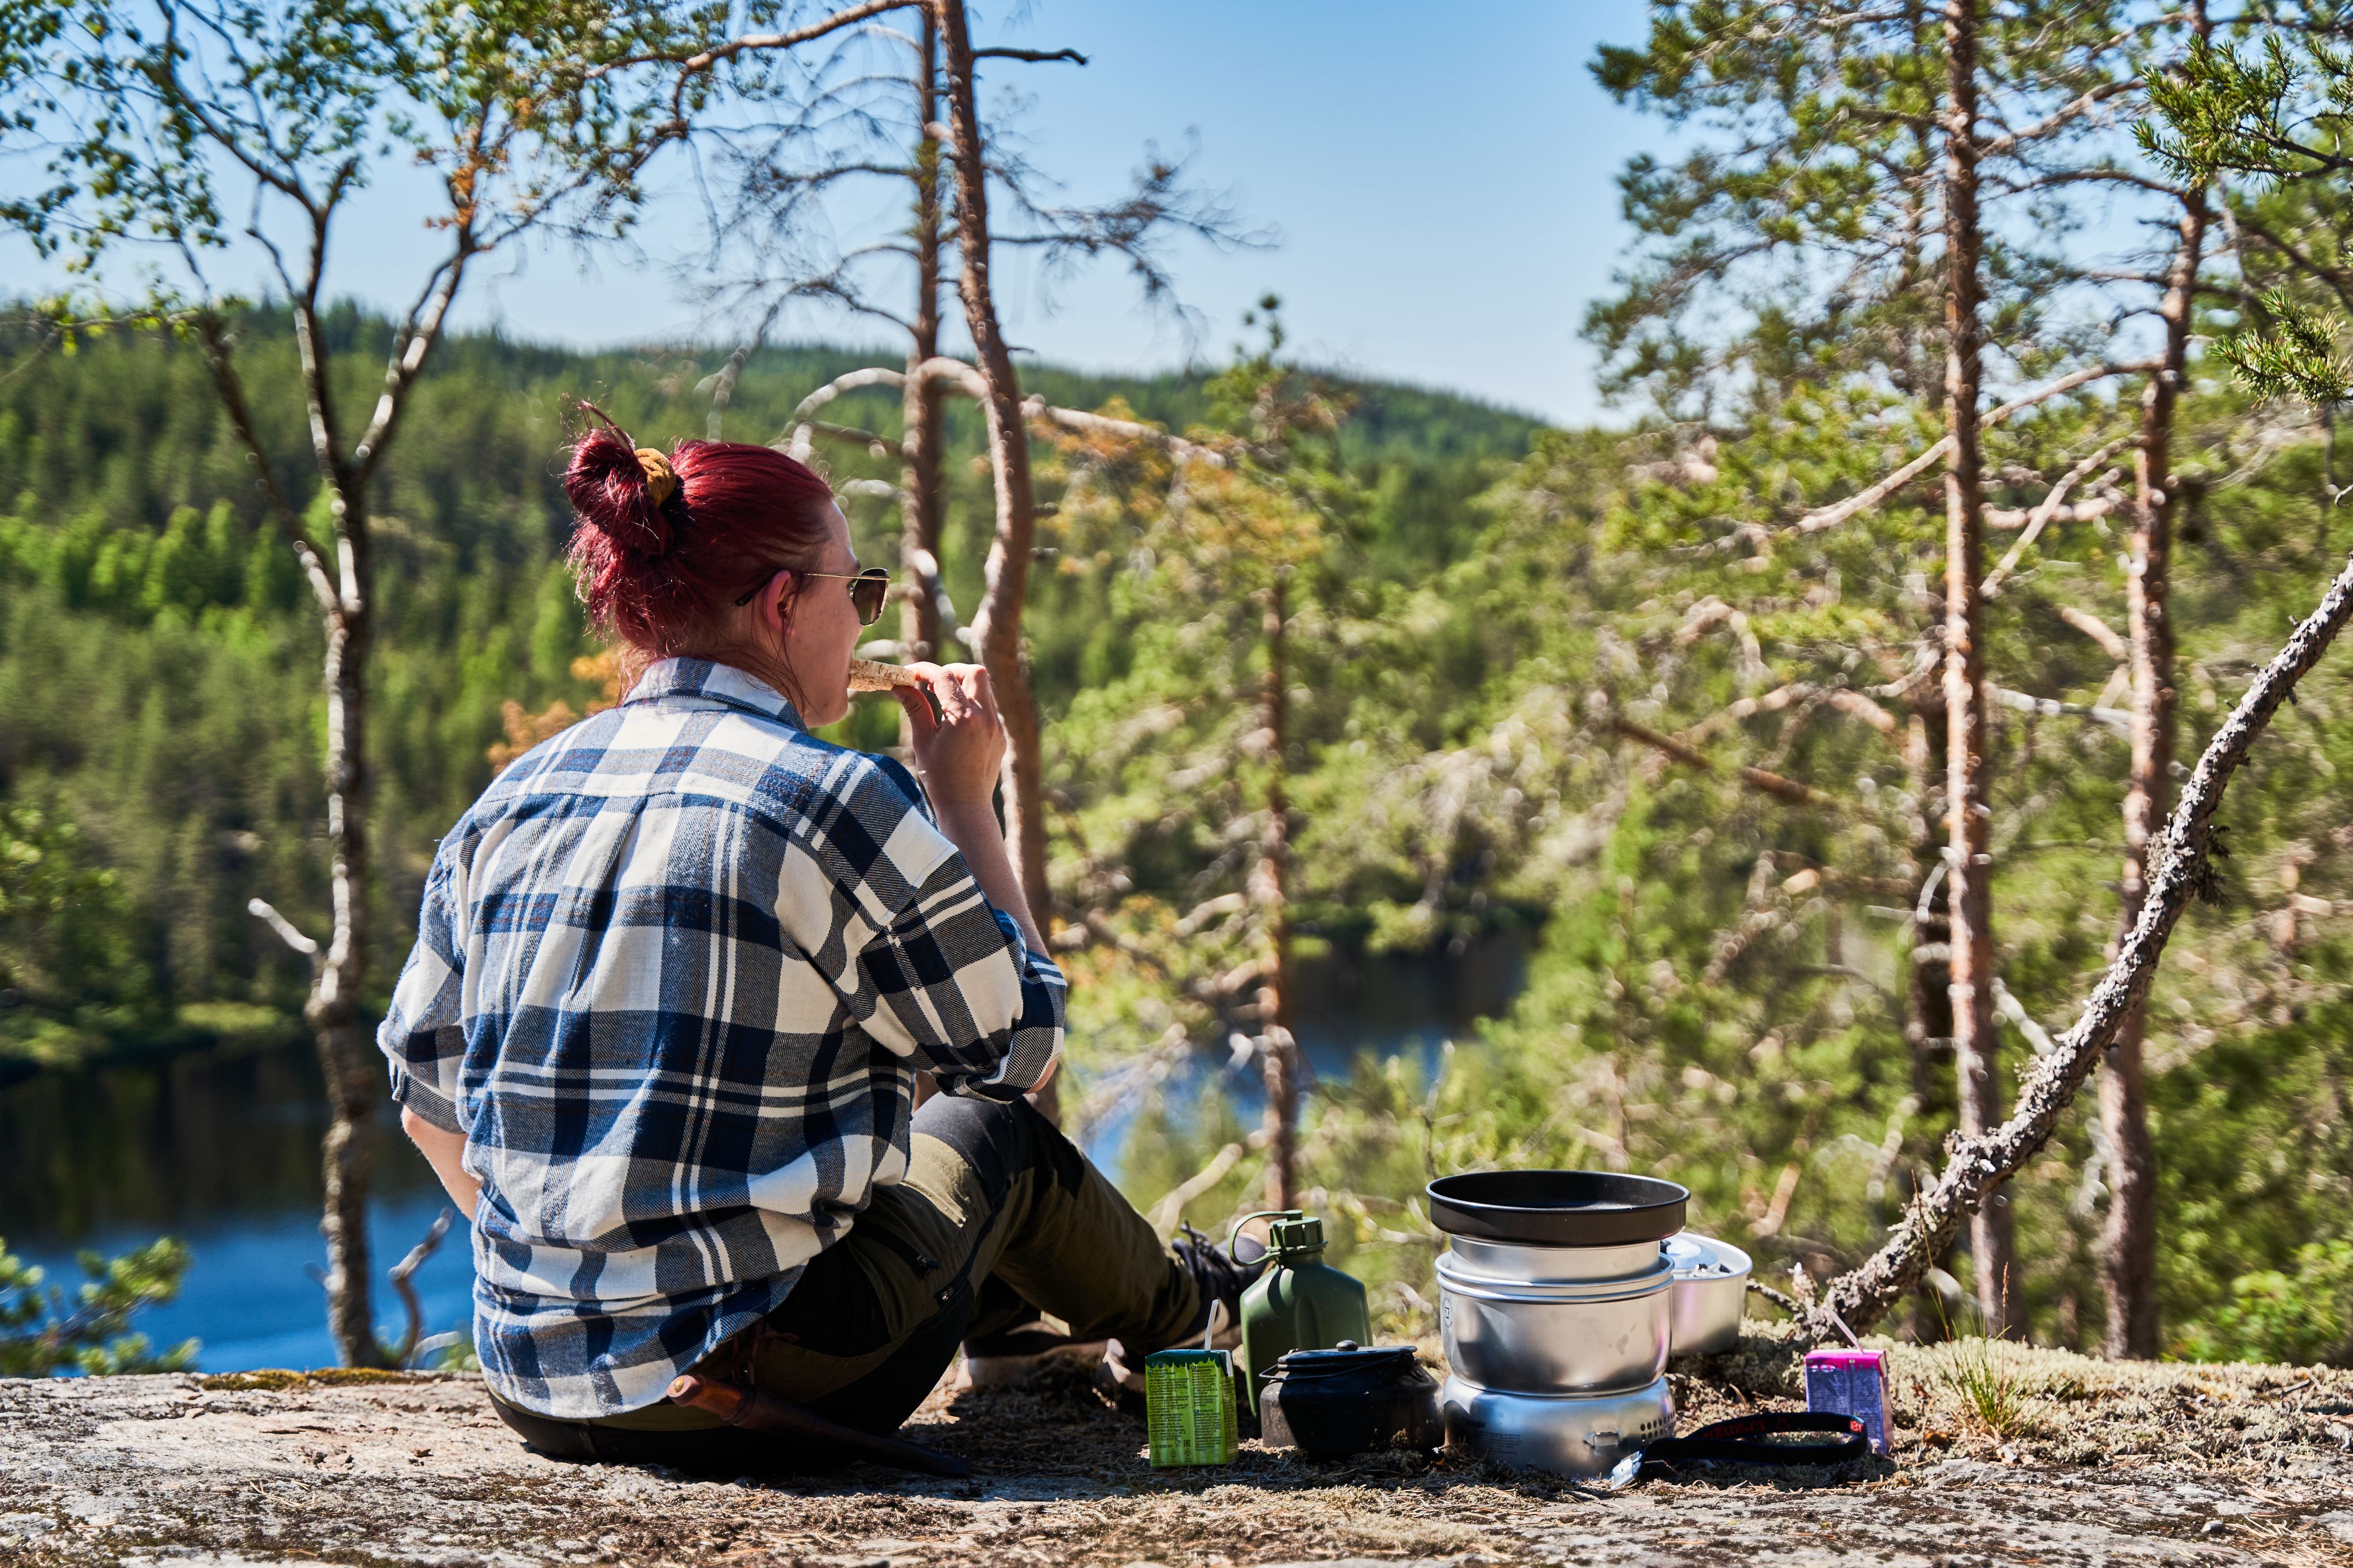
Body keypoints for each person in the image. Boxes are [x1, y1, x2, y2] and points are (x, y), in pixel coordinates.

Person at [376, 423, 1257, 1467]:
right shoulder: (832, 797)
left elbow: (427, 1104)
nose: (864, 619)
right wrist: (967, 802)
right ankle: (1186, 1319)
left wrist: (583, 1290)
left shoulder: (511, 799)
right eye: (859, 591)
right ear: (784, 603)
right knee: (991, 1132)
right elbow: (1023, 1047)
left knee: (872, 1132)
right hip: (756, 1382)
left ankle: (1019, 1349)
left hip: (533, 1386)